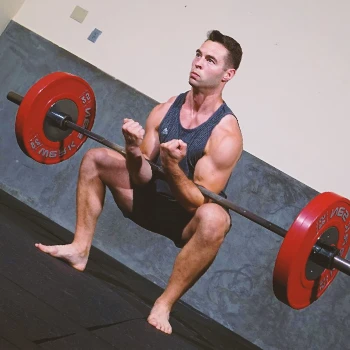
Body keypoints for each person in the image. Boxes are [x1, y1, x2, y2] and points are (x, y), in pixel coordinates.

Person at [35, 30, 243, 334]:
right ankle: (79, 248)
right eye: (198, 54)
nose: (198, 63)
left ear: (228, 74)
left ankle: (165, 304)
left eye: (209, 60)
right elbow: (140, 174)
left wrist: (171, 166)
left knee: (216, 218)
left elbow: (193, 202)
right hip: (146, 201)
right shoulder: (167, 108)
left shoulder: (225, 135)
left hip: (184, 221)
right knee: (97, 157)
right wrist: (133, 149)